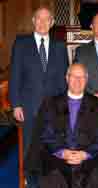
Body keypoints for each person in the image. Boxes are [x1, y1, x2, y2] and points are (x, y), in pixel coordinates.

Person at [8, 5, 68, 187]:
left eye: (46, 19)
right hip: (28, 106)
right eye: (39, 19)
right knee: (29, 146)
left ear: (52, 23)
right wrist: (16, 104)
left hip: (53, 107)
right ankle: (30, 180)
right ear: (33, 21)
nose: (42, 23)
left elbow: (64, 78)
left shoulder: (59, 46)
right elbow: (15, 75)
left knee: (51, 146)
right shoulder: (21, 43)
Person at [25, 63, 98, 188]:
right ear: (67, 78)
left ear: (86, 80)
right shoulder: (51, 104)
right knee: (53, 176)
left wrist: (85, 154)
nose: (77, 80)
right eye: (74, 76)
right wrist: (62, 152)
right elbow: (46, 135)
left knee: (97, 177)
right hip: (58, 156)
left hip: (89, 157)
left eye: (82, 77)